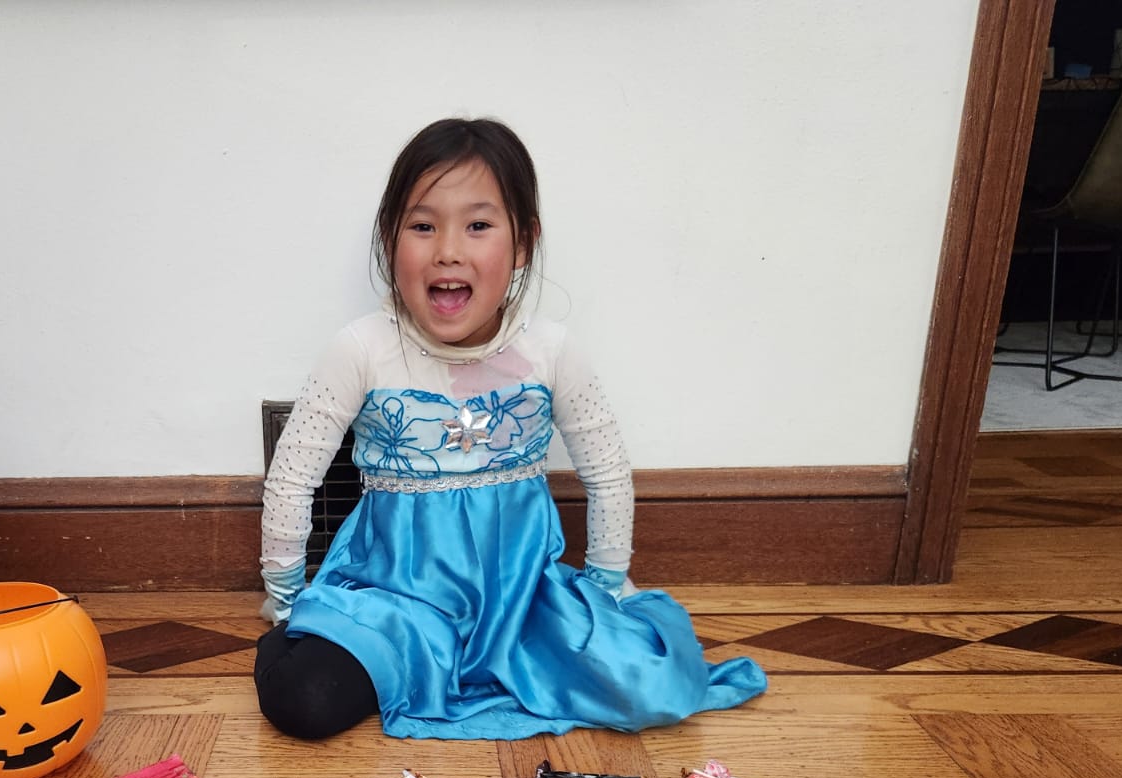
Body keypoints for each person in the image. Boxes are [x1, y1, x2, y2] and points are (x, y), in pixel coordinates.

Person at [254, 117, 766, 741]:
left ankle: (504, 658)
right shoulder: (361, 349)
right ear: (391, 241)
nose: (448, 249)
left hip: (523, 602)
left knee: (652, 687)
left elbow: (606, 472)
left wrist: (605, 585)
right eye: (422, 225)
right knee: (303, 703)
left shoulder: (551, 351)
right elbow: (292, 476)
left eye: (478, 225)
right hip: (396, 600)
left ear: (522, 243)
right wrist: (285, 596)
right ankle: (312, 634)